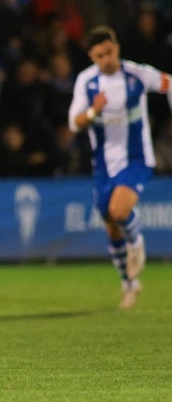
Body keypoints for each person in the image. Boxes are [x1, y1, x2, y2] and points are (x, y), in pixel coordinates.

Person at [68, 25, 172, 309]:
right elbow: (73, 122)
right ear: (92, 56)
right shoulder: (86, 82)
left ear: (117, 47)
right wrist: (93, 111)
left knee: (119, 210)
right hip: (103, 164)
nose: (106, 59)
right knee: (111, 227)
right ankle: (130, 283)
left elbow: (168, 83)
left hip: (137, 158)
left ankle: (137, 243)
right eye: (99, 55)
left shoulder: (137, 74)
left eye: (109, 52)